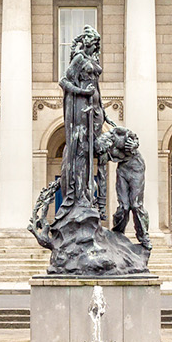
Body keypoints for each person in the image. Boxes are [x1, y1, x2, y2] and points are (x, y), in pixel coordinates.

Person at [59, 26, 105, 207]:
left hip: (95, 109)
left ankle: (89, 197)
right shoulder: (79, 58)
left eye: (94, 41)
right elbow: (64, 81)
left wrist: (102, 109)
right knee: (80, 149)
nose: (93, 44)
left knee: (91, 150)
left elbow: (96, 87)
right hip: (81, 107)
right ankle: (78, 195)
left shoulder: (92, 59)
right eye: (91, 40)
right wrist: (81, 92)